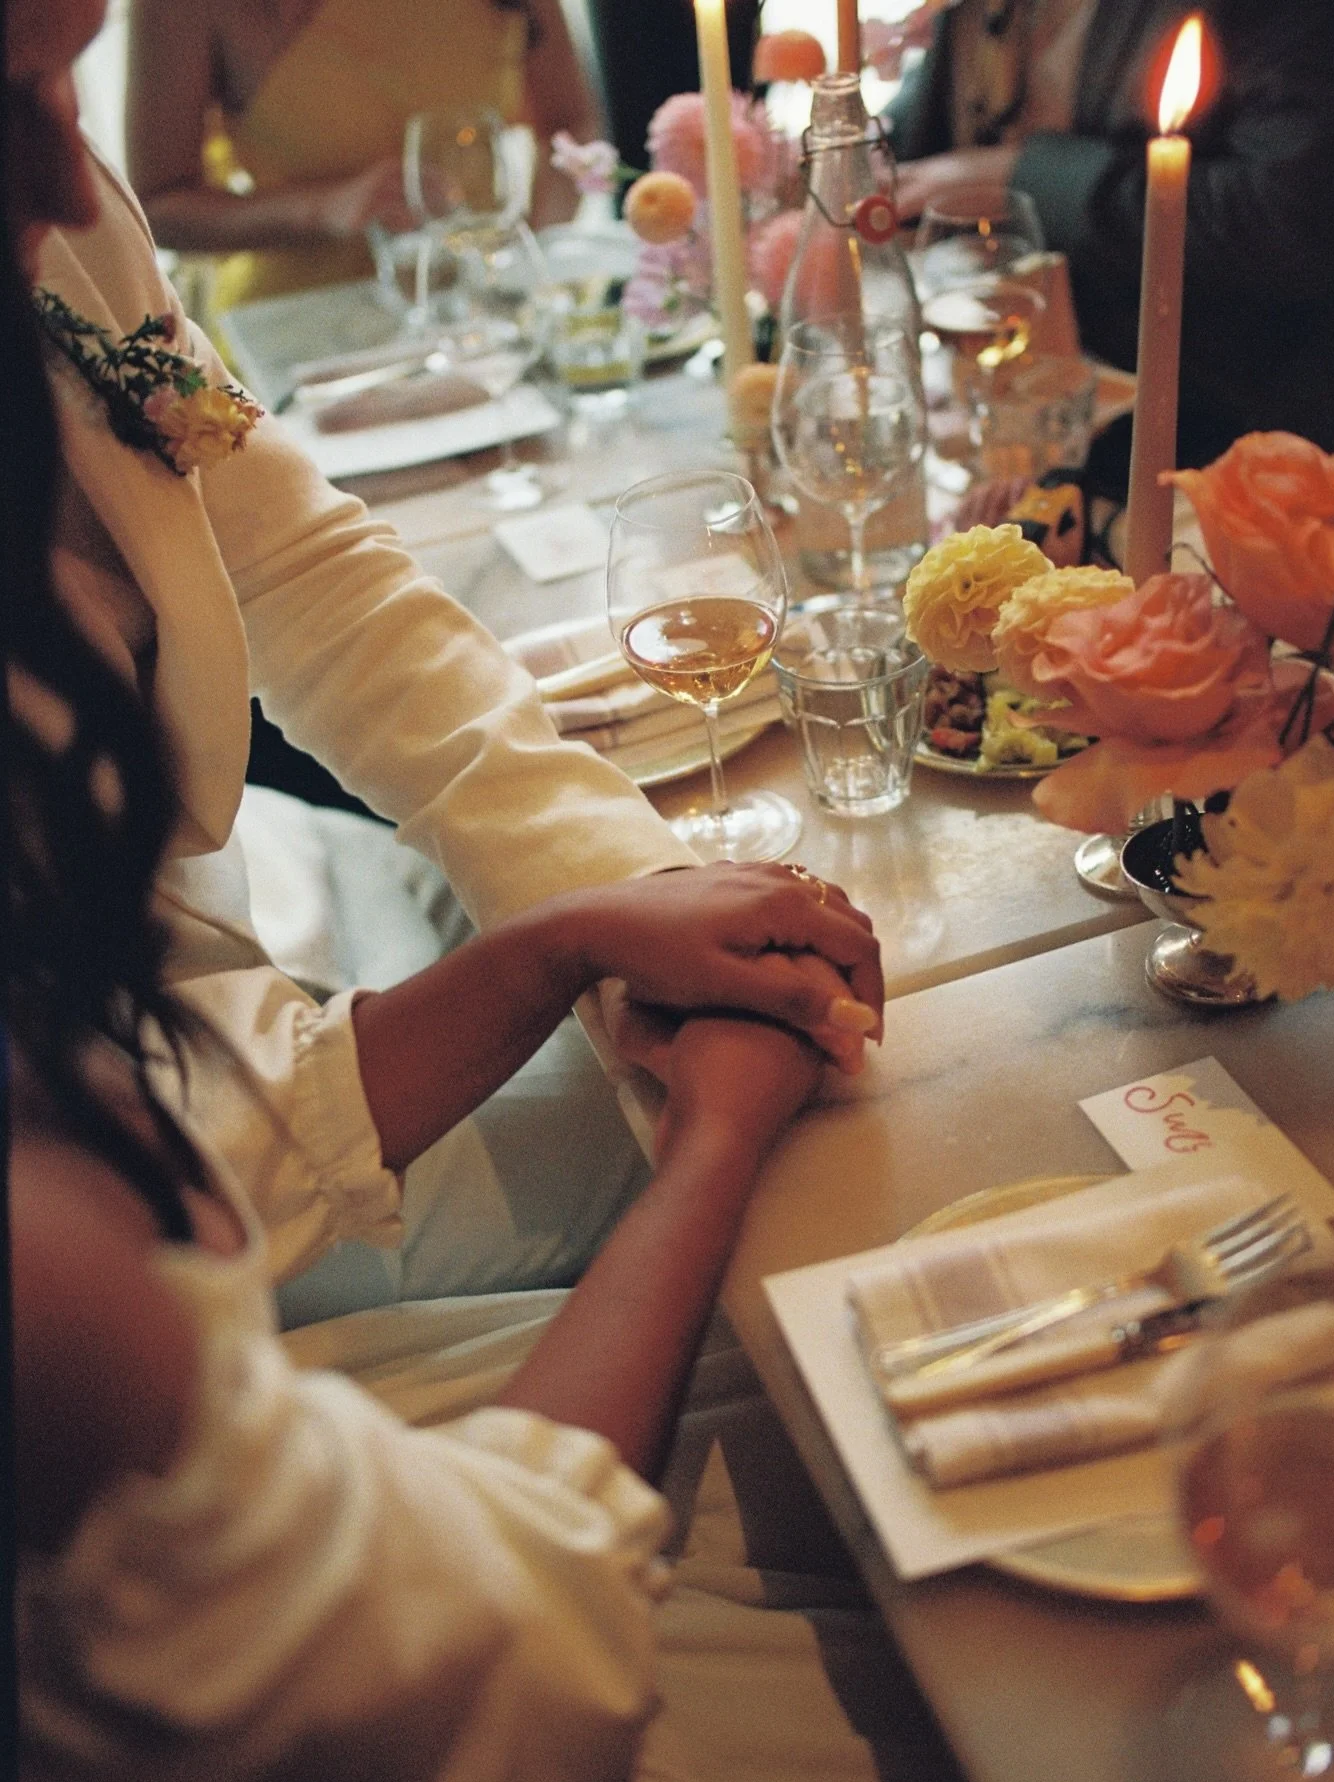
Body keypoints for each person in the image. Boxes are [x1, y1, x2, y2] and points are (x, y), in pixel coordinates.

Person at [12, 0, 885, 1360]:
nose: (81, 180)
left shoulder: (48, 211)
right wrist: (566, 944)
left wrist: (620, 877)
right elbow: (121, 1147)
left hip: (219, 980)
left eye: (68, 77)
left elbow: (301, 568)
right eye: (15, 95)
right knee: (803, 1178)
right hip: (142, 1196)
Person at [890, 0, 1334, 483]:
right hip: (1005, 420)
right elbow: (943, 109)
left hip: (1228, 449)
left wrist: (1019, 178)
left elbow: (1292, 225)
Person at [125, 0, 600, 319]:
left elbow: (573, 125)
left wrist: (525, 262)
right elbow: (159, 207)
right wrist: (325, 207)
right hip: (310, 334)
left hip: (482, 315)